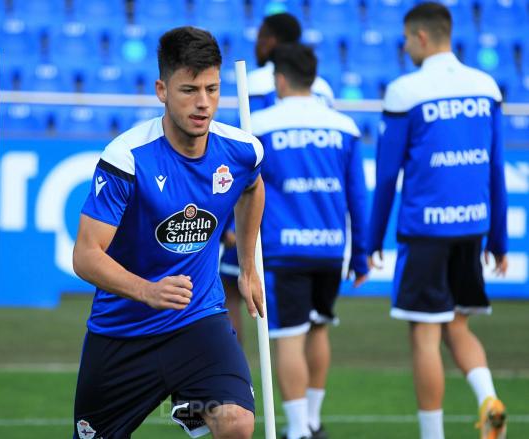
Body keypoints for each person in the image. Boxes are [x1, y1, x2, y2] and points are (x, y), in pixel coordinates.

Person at [72, 26, 265, 439]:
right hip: (123, 332)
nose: (203, 104)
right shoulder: (127, 158)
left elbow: (252, 187)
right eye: (189, 90)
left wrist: (248, 267)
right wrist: (148, 292)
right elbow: (86, 255)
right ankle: (187, 401)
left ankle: (192, 399)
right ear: (162, 90)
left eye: (212, 89)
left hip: (198, 321)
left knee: (237, 423)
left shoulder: (242, 151)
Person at [367, 3, 508, 439]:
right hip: (472, 227)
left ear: (422, 37)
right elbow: (494, 168)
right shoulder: (485, 87)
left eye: (407, 39)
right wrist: (498, 239)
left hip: (425, 231)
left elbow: (388, 175)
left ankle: (433, 436)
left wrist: (372, 239)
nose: (405, 46)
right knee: (457, 325)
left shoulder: (405, 91)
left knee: (425, 336)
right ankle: (489, 399)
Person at [251, 43, 369, 439]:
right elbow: (358, 194)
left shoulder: (261, 126)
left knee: (288, 337)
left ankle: (298, 430)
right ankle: (314, 422)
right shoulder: (344, 127)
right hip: (330, 248)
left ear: (279, 79)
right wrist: (363, 253)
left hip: (285, 249)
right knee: (319, 329)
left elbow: (247, 188)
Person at [219, 11, 336, 342]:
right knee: (314, 320)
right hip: (305, 211)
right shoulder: (322, 89)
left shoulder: (254, 84)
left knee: (230, 289)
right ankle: (312, 397)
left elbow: (241, 154)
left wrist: (229, 222)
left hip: (257, 200)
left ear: (270, 41)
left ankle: (231, 381)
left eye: (260, 38)